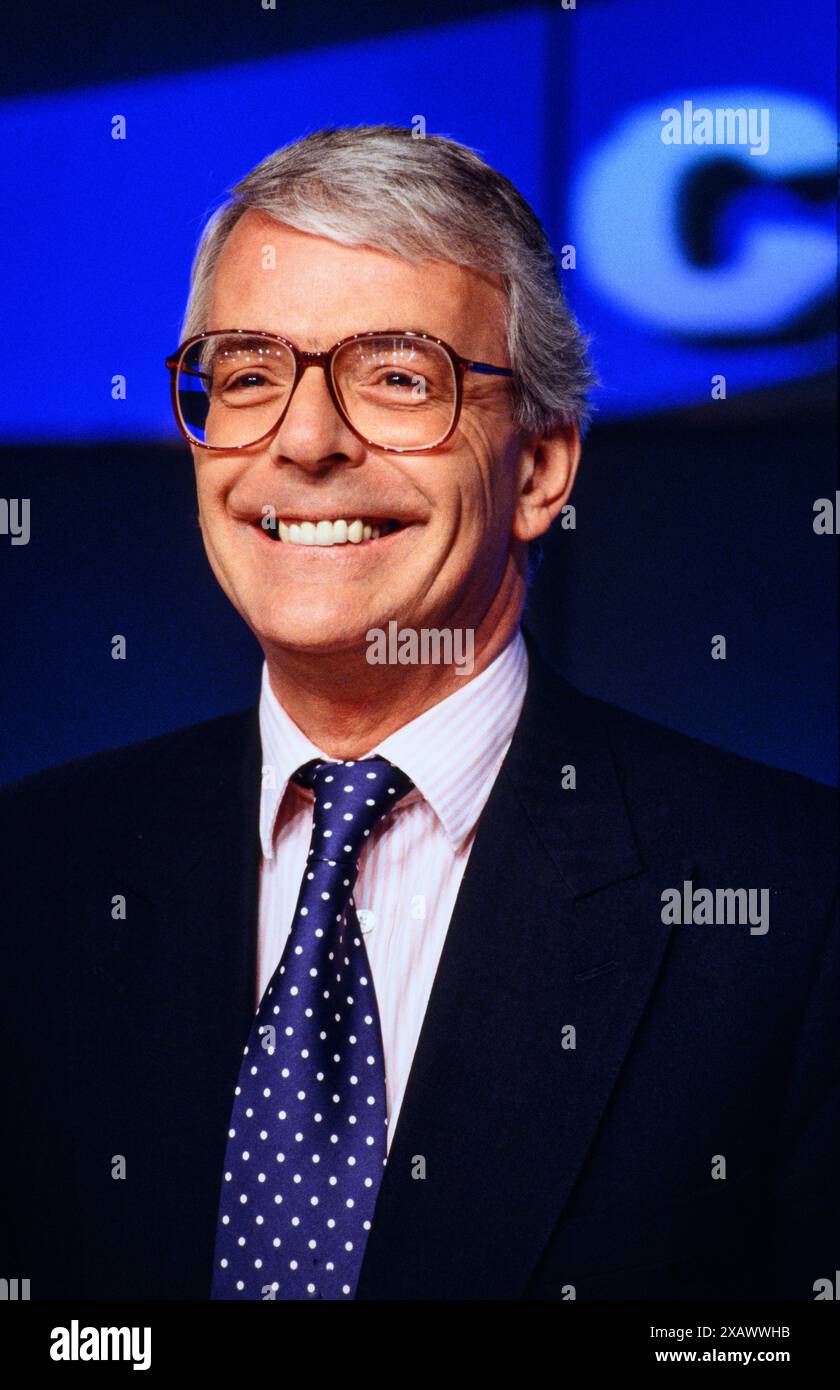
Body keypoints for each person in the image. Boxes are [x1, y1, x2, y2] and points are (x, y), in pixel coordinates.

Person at [1, 126, 836, 1301]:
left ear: (542, 468)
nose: (303, 441)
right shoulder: (34, 868)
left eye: (398, 375)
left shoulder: (793, 908)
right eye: (246, 373)